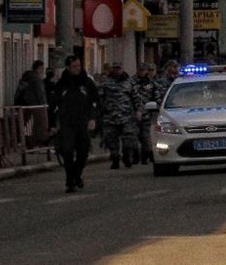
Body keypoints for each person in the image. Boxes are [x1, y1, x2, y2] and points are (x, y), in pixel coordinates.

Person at [49, 55, 99, 193]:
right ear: (68, 68)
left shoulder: (87, 83)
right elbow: (53, 105)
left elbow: (95, 102)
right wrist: (52, 124)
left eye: (78, 66)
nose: (77, 69)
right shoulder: (61, 85)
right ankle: (70, 180)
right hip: (67, 124)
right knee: (67, 151)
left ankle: (77, 174)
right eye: (74, 67)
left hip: (83, 123)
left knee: (83, 151)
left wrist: (93, 118)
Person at [99, 62, 141, 169]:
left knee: (128, 140)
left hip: (126, 116)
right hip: (111, 117)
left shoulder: (129, 82)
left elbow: (136, 98)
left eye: (119, 68)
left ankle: (127, 157)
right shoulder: (106, 83)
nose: (117, 70)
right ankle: (115, 160)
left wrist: (138, 111)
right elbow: (100, 98)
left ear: (122, 69)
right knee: (112, 141)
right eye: (115, 68)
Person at [14, 60, 49, 147]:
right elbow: (40, 92)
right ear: (39, 67)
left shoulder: (26, 77)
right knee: (36, 125)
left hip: (24, 105)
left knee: (26, 125)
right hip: (35, 105)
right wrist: (44, 104)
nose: (43, 70)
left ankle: (25, 141)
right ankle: (33, 143)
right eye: (42, 68)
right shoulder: (36, 78)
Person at [132, 62, 161, 164]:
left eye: (144, 70)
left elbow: (157, 97)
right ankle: (135, 156)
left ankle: (146, 156)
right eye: (140, 70)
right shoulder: (132, 82)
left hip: (148, 114)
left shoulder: (151, 83)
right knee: (134, 136)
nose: (142, 72)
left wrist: (156, 109)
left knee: (146, 136)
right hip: (134, 114)